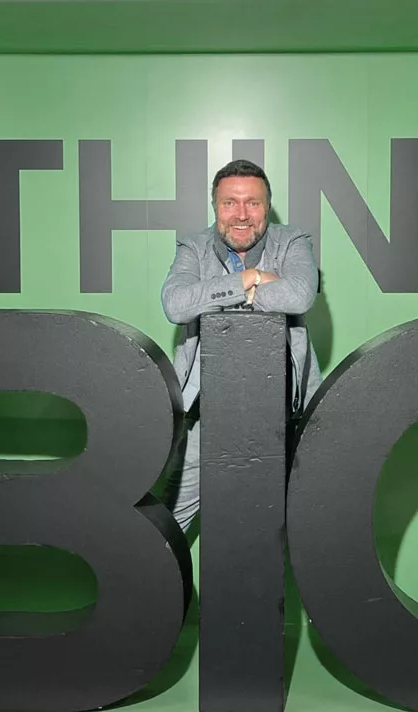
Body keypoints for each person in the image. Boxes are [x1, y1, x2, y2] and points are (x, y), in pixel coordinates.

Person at [160, 159, 322, 532]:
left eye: (253, 203)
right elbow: (176, 305)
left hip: (282, 416)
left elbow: (299, 296)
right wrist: (249, 279)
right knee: (166, 529)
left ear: (268, 206)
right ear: (215, 206)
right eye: (230, 203)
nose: (242, 214)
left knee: (293, 529)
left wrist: (214, 295)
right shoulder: (193, 247)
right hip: (205, 416)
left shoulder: (292, 241)